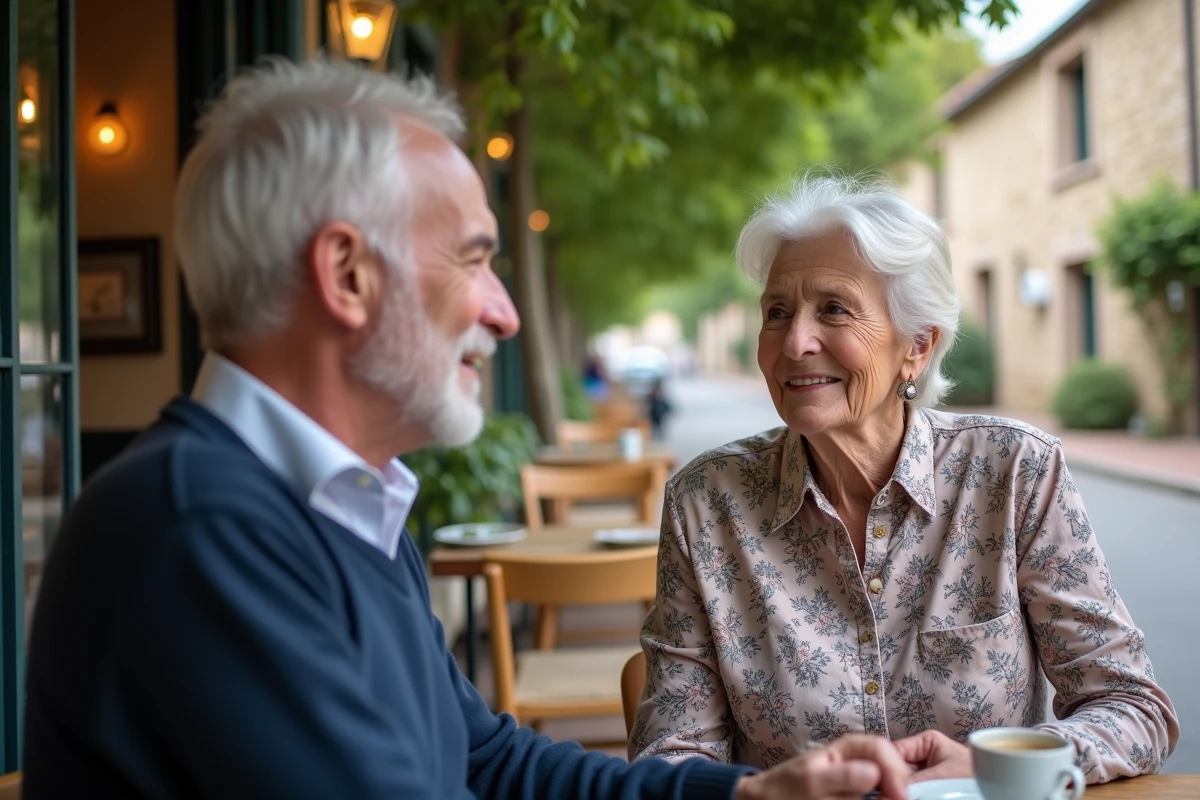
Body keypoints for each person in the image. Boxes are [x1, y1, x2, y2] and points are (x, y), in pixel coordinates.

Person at [23, 61, 915, 800]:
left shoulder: (342, 507)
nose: (506, 314)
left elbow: (486, 762)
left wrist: (746, 794)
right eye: (475, 259)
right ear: (347, 274)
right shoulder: (200, 532)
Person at [630, 174, 1179, 784]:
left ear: (917, 346)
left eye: (834, 309)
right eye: (776, 312)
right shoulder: (706, 504)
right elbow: (671, 758)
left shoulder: (1012, 471)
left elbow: (1133, 708)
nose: (795, 341)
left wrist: (991, 768)